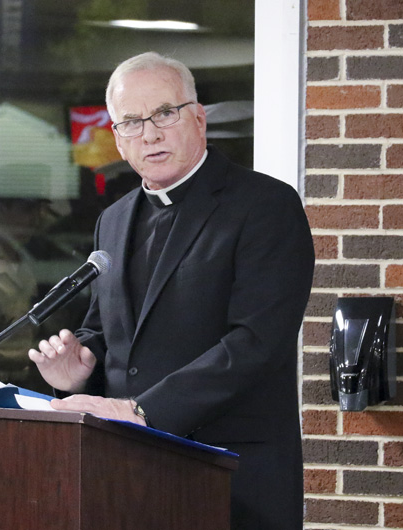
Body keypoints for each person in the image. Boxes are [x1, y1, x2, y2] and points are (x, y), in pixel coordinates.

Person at [28, 51, 314, 530]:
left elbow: (258, 342)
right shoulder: (113, 220)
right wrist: (79, 370)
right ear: (118, 139)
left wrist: (143, 409)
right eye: (132, 122)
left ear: (199, 119)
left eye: (164, 113)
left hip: (232, 474)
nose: (150, 134)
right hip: (125, 475)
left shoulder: (265, 205)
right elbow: (106, 330)